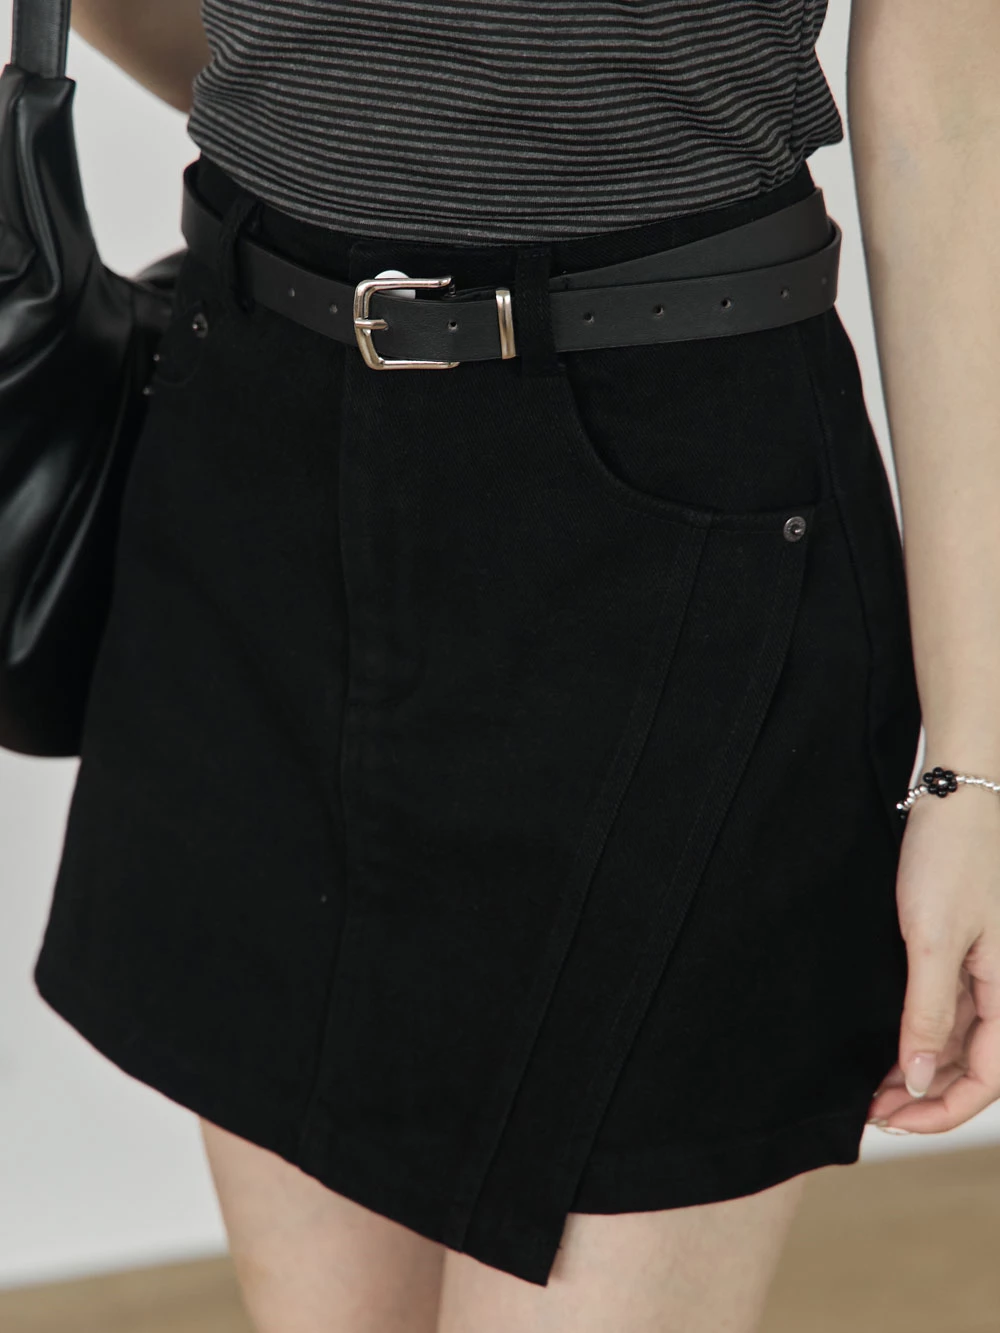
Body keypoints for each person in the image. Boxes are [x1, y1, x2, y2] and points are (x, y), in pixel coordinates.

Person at [33, 3, 1000, 1331]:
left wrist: (977, 770)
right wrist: (368, 124)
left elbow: (954, 113)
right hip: (265, 437)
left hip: (674, 520)